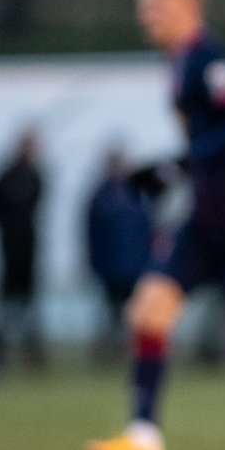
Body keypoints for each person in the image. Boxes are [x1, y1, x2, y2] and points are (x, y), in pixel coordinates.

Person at [84, 0, 225, 450]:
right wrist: (175, 169)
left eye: (156, 2)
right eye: (142, 4)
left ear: (189, 1)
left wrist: (178, 165)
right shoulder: (177, 62)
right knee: (147, 311)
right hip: (204, 220)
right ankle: (144, 439)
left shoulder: (208, 57)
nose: (146, 13)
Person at [86, 148, 155, 362]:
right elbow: (93, 235)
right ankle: (110, 353)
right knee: (112, 313)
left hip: (134, 266)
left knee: (134, 313)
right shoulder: (102, 197)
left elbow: (147, 230)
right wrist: (96, 263)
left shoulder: (136, 194)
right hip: (111, 268)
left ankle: (129, 353)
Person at [0, 129, 45, 372]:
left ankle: (32, 358)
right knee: (5, 307)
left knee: (29, 307)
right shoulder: (7, 176)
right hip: (10, 252)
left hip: (28, 251)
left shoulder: (36, 176)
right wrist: (7, 230)